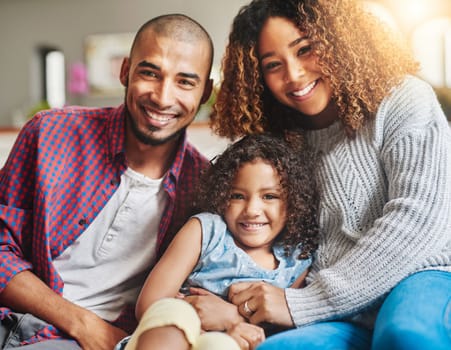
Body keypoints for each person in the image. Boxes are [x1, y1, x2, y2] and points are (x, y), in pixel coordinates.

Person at [206, 0, 451, 349]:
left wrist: (303, 303)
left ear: (338, 40)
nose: (294, 75)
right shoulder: (278, 145)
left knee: (405, 336)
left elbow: (419, 218)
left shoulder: (404, 98)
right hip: (337, 312)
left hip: (419, 278)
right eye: (273, 65)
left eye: (305, 49)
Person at [0, 14, 214, 350]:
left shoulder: (204, 186)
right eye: (149, 73)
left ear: (205, 93)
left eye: (185, 82)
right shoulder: (50, 133)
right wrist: (81, 322)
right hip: (11, 317)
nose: (162, 97)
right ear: (126, 71)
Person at [114, 132, 319, 350]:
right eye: (237, 196)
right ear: (222, 196)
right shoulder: (206, 230)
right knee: (175, 312)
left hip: (229, 344)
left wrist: (233, 321)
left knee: (221, 345)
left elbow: (280, 327)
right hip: (172, 334)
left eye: (269, 196)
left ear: (293, 202)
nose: (252, 210)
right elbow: (150, 303)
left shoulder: (296, 260)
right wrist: (196, 330)